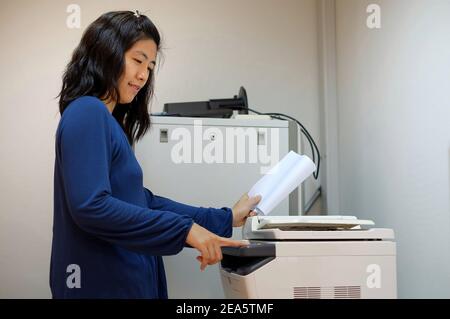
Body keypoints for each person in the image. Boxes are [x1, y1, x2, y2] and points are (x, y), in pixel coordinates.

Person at [51, 10, 261, 299]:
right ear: (105, 53)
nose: (143, 75)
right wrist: (185, 230)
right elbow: (90, 206)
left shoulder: (106, 121)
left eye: (149, 66)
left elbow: (142, 201)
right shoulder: (87, 112)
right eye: (137, 60)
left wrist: (223, 219)